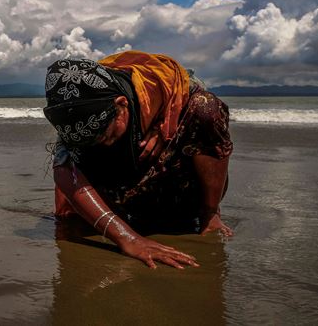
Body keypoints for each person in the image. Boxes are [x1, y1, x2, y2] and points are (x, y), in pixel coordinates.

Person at [43, 51, 233, 270]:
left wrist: (164, 124)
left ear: (121, 105)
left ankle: (210, 214)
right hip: (121, 196)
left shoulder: (165, 84)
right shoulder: (76, 112)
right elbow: (64, 170)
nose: (102, 144)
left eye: (105, 135)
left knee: (205, 107)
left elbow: (200, 109)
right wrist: (128, 239)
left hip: (174, 189)